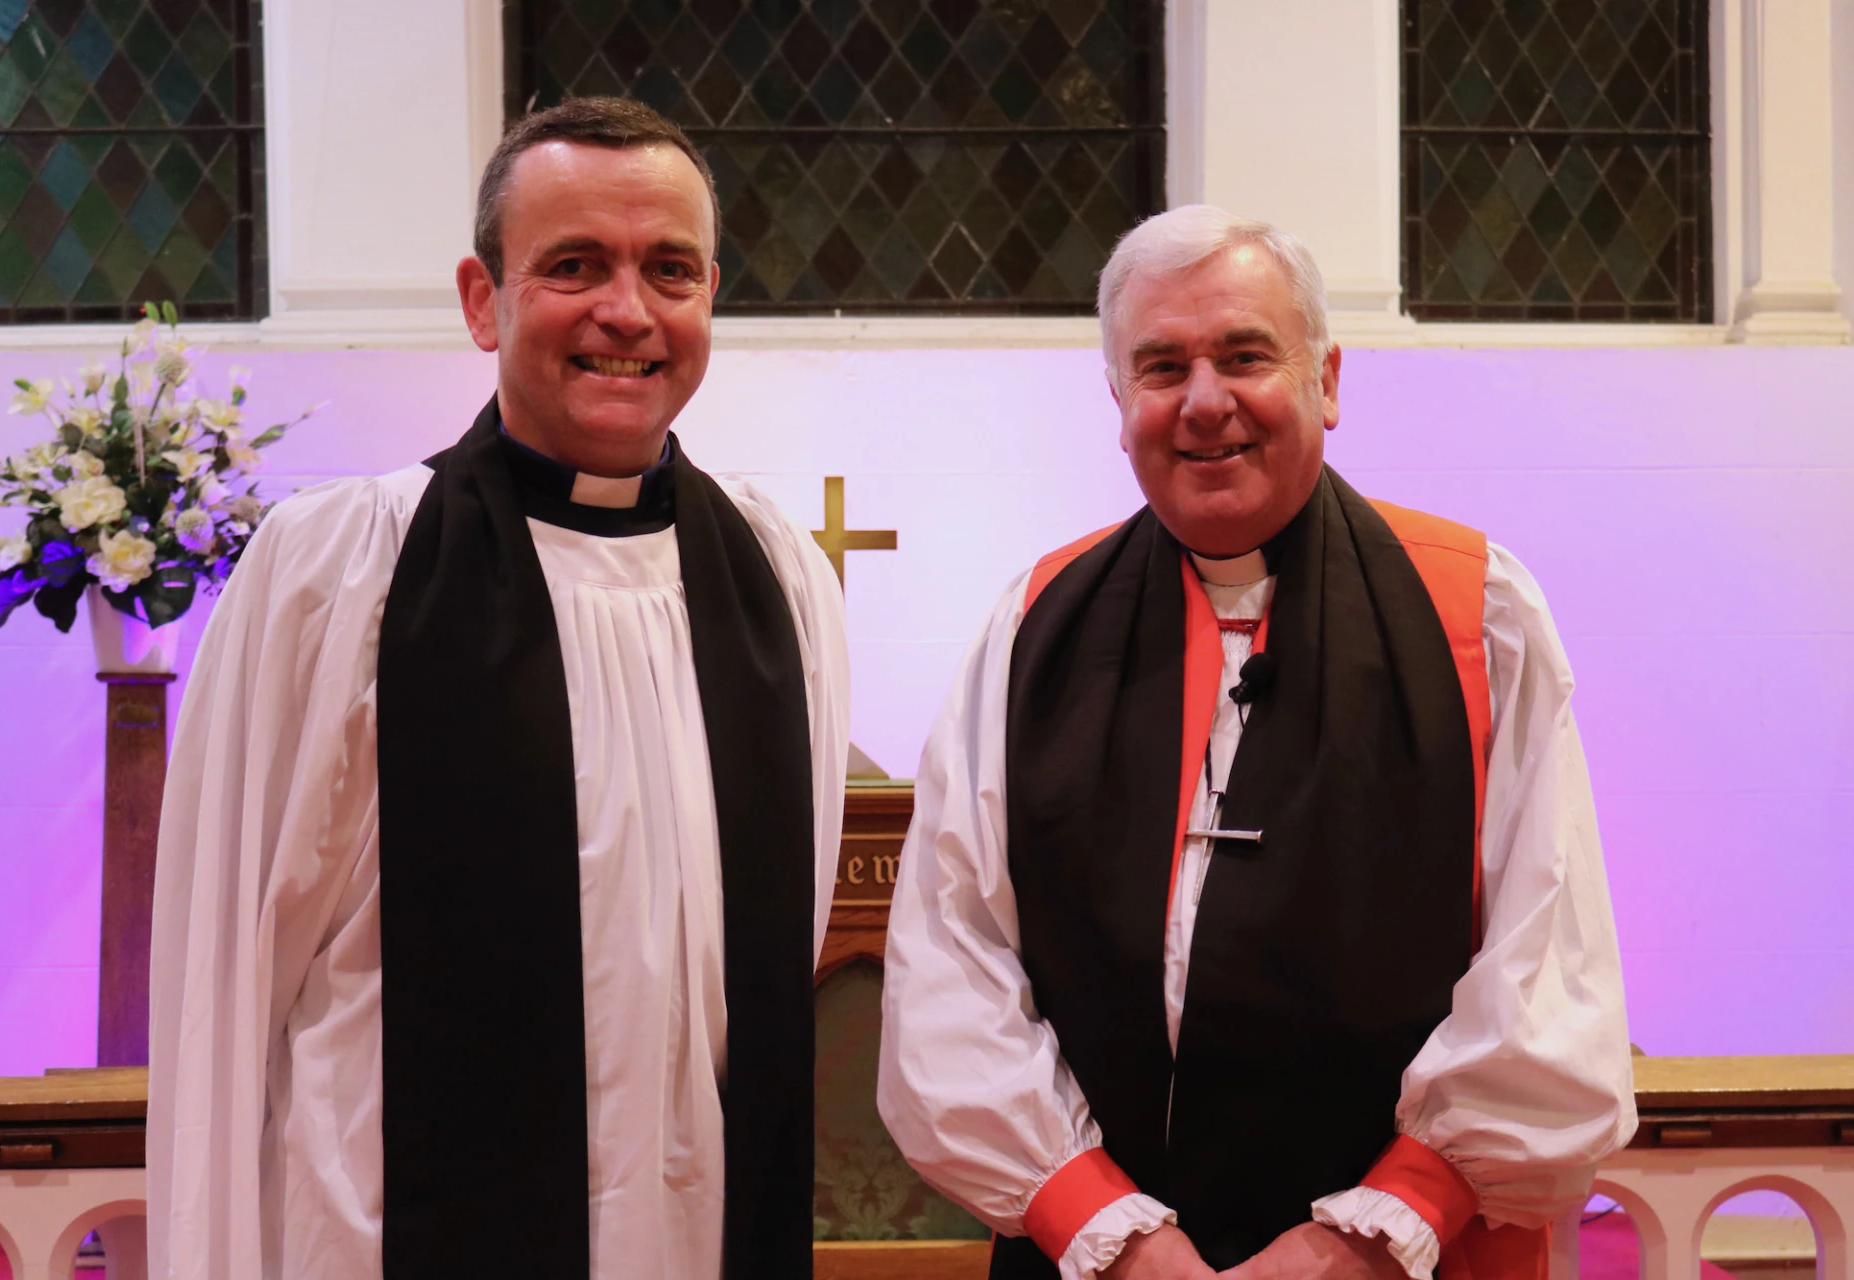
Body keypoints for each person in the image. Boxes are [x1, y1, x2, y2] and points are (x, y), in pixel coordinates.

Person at [147, 97, 848, 1280]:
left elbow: (778, 953)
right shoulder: (344, 571)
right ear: (484, 299)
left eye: (668, 269)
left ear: (709, 294)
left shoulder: (781, 581)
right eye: (574, 265)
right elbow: (224, 988)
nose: (627, 311)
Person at [876, 206, 1635, 1280]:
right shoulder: (1034, 624)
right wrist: (1112, 1230)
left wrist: (1371, 1228)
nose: (1203, 402)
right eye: (1161, 366)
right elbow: (951, 960)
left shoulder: (1478, 612)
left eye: (1244, 355)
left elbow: (1549, 961)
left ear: (1326, 379)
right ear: (1117, 400)